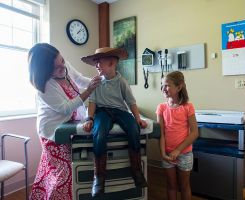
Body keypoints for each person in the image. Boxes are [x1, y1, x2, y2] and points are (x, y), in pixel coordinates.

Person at [28, 43, 100, 200]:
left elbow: (80, 80)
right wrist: (89, 91)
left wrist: (100, 82)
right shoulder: (45, 87)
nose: (63, 67)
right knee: (64, 173)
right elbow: (66, 108)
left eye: (62, 61)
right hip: (52, 132)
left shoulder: (63, 65)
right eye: (57, 67)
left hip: (68, 125)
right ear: (45, 72)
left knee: (53, 170)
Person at [81, 47, 148, 198]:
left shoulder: (122, 82)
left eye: (99, 62)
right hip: (103, 111)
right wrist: (89, 119)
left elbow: (131, 103)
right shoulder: (96, 83)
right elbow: (92, 103)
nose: (96, 65)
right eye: (96, 62)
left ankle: (136, 170)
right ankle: (99, 177)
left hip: (120, 111)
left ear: (111, 63)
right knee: (99, 132)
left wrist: (138, 118)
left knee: (133, 129)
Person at [156, 71, 199, 200]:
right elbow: (161, 133)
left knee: (184, 186)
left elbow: (195, 132)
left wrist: (178, 150)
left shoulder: (188, 107)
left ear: (179, 87)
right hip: (167, 155)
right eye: (162, 85)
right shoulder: (161, 108)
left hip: (184, 154)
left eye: (167, 85)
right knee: (171, 185)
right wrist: (163, 153)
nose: (163, 88)